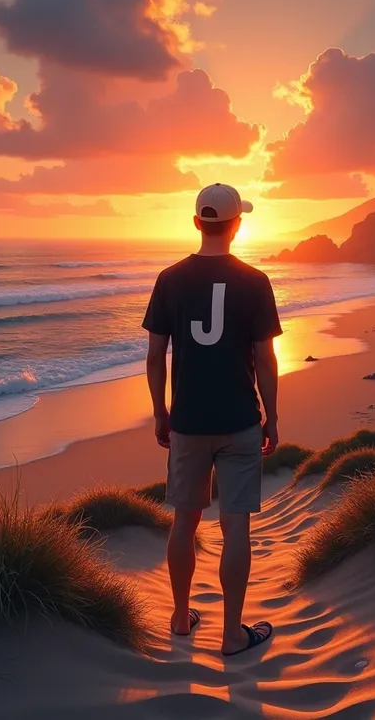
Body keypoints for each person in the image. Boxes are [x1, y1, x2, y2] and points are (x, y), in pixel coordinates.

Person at [142, 183, 282, 656]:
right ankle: (231, 634)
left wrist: (161, 412)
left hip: (188, 421)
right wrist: (273, 417)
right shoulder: (255, 281)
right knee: (235, 526)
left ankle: (182, 619)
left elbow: (155, 356)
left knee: (184, 522)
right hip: (240, 419)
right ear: (237, 224)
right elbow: (265, 357)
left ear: (198, 223)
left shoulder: (169, 278)